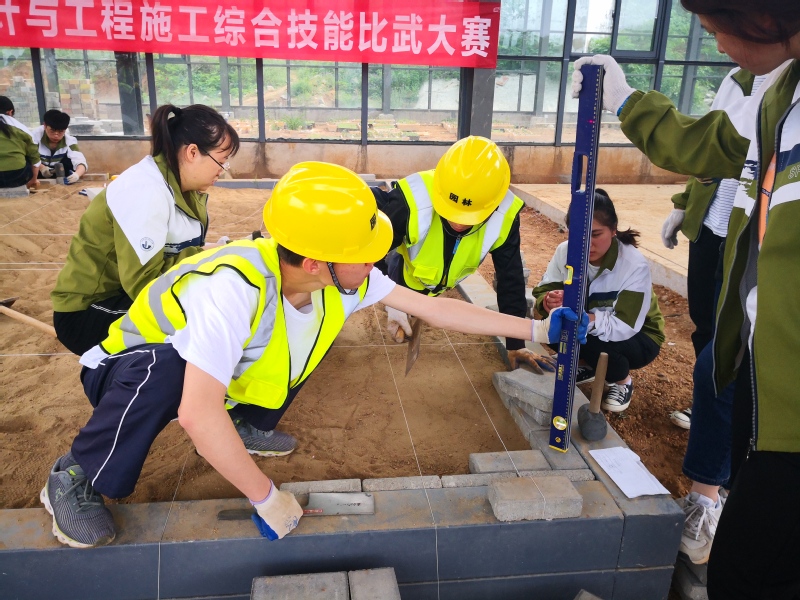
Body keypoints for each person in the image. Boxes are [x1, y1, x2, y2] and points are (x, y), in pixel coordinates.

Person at [39, 161, 588, 549]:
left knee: (306, 335)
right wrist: (264, 497)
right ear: (315, 261)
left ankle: (248, 424)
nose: (376, 263)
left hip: (212, 369)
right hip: (128, 370)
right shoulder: (233, 287)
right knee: (171, 373)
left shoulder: (338, 279)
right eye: (364, 254)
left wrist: (536, 327)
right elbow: (197, 414)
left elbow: (436, 309)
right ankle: (76, 475)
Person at [572, 2, 800, 596]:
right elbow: (712, 147)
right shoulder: (777, 91)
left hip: (788, 389)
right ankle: (721, 470)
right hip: (743, 289)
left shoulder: (632, 265)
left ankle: (709, 491)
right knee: (715, 355)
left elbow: (626, 326)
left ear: (765, 18)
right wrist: (628, 103)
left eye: (717, 27)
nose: (716, 43)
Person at [51, 104, 240, 356]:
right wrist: (210, 257)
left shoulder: (181, 186)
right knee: (205, 318)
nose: (223, 171)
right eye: (222, 161)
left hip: (124, 294)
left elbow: (179, 251)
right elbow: (145, 284)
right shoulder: (144, 191)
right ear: (193, 152)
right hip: (91, 310)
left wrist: (217, 252)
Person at [372, 135, 554, 374]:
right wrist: (392, 298)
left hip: (442, 282)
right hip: (407, 273)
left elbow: (510, 278)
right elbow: (372, 249)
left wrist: (516, 343)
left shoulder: (505, 217)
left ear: (494, 204)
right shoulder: (412, 200)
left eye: (468, 216)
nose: (458, 222)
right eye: (451, 211)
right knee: (394, 263)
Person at [532, 190, 665, 412]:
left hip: (639, 335)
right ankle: (587, 365)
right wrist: (549, 301)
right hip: (591, 325)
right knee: (552, 326)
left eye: (595, 234)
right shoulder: (565, 252)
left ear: (613, 230)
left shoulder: (632, 265)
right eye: (577, 234)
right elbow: (544, 289)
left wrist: (585, 319)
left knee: (593, 343)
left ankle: (622, 381)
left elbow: (625, 325)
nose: (586, 244)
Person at [32, 109, 88, 184]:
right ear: (45, 126)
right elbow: (29, 157)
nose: (56, 135)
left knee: (69, 162)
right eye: (52, 131)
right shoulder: (34, 136)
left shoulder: (70, 140)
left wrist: (77, 175)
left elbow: (80, 161)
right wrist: (42, 168)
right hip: (38, 170)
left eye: (61, 131)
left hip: (57, 170)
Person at [0, 96, 40, 189]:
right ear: (10, 112)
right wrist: (33, 179)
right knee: (27, 154)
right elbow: (35, 158)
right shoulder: (20, 127)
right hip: (17, 176)